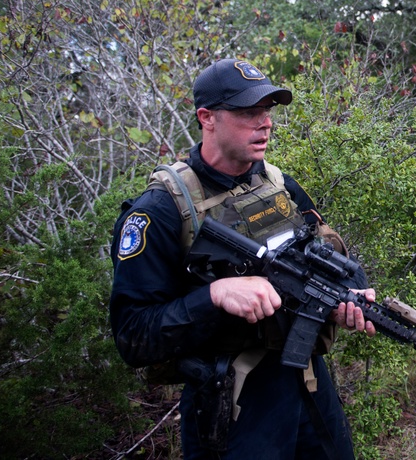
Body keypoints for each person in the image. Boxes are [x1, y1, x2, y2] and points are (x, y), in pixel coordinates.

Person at [109, 58, 376, 460]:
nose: (265, 122)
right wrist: (214, 295)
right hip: (231, 401)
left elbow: (318, 255)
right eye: (249, 112)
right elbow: (133, 335)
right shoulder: (160, 211)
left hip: (306, 381)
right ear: (207, 118)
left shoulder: (276, 183)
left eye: (267, 111)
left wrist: (342, 297)